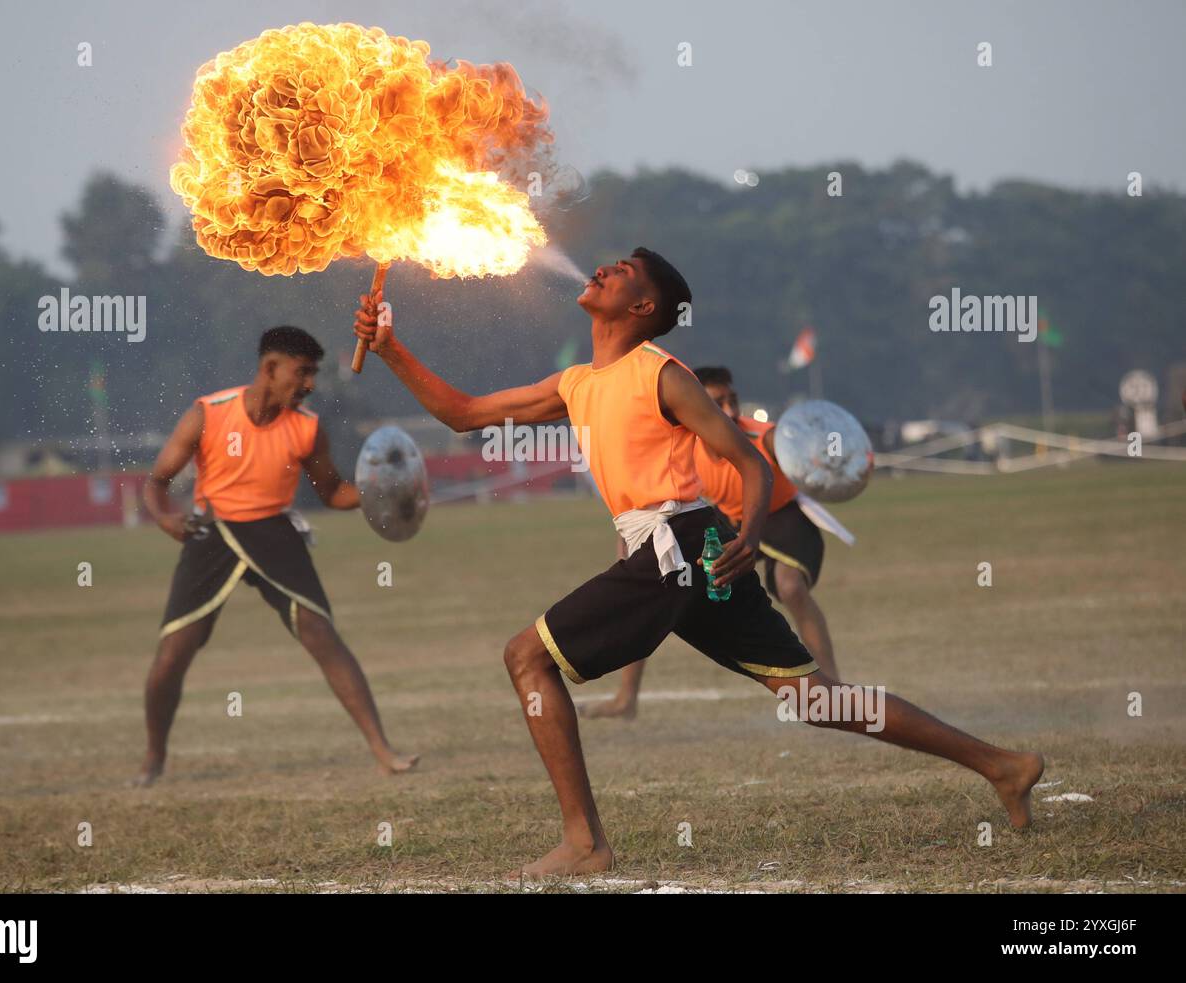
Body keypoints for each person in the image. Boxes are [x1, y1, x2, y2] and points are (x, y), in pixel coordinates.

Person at [353, 249, 1043, 877]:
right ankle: (1002, 764)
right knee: (816, 696)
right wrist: (389, 347)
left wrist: (747, 527)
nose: (602, 268)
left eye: (621, 270)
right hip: (684, 548)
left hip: (676, 544)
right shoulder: (575, 382)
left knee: (526, 657)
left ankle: (584, 843)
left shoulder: (664, 375)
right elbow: (464, 414)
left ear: (642, 309)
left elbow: (748, 462)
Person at [135, 325, 418, 785]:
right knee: (173, 654)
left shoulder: (306, 427)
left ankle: (382, 751)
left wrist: (377, 492)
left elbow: (332, 492)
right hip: (214, 532)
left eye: (313, 375)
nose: (309, 385)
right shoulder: (209, 414)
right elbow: (156, 482)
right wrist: (165, 518)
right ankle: (153, 759)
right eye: (301, 373)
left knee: (323, 637)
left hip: (274, 531)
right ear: (270, 368)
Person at [584, 364, 837, 721]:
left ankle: (831, 689)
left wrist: (819, 459)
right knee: (654, 595)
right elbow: (651, 500)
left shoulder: (761, 436)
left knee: (790, 586)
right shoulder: (684, 449)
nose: (731, 411)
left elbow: (794, 448)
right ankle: (626, 699)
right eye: (719, 402)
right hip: (728, 522)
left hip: (780, 515)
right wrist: (628, 546)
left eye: (733, 400)